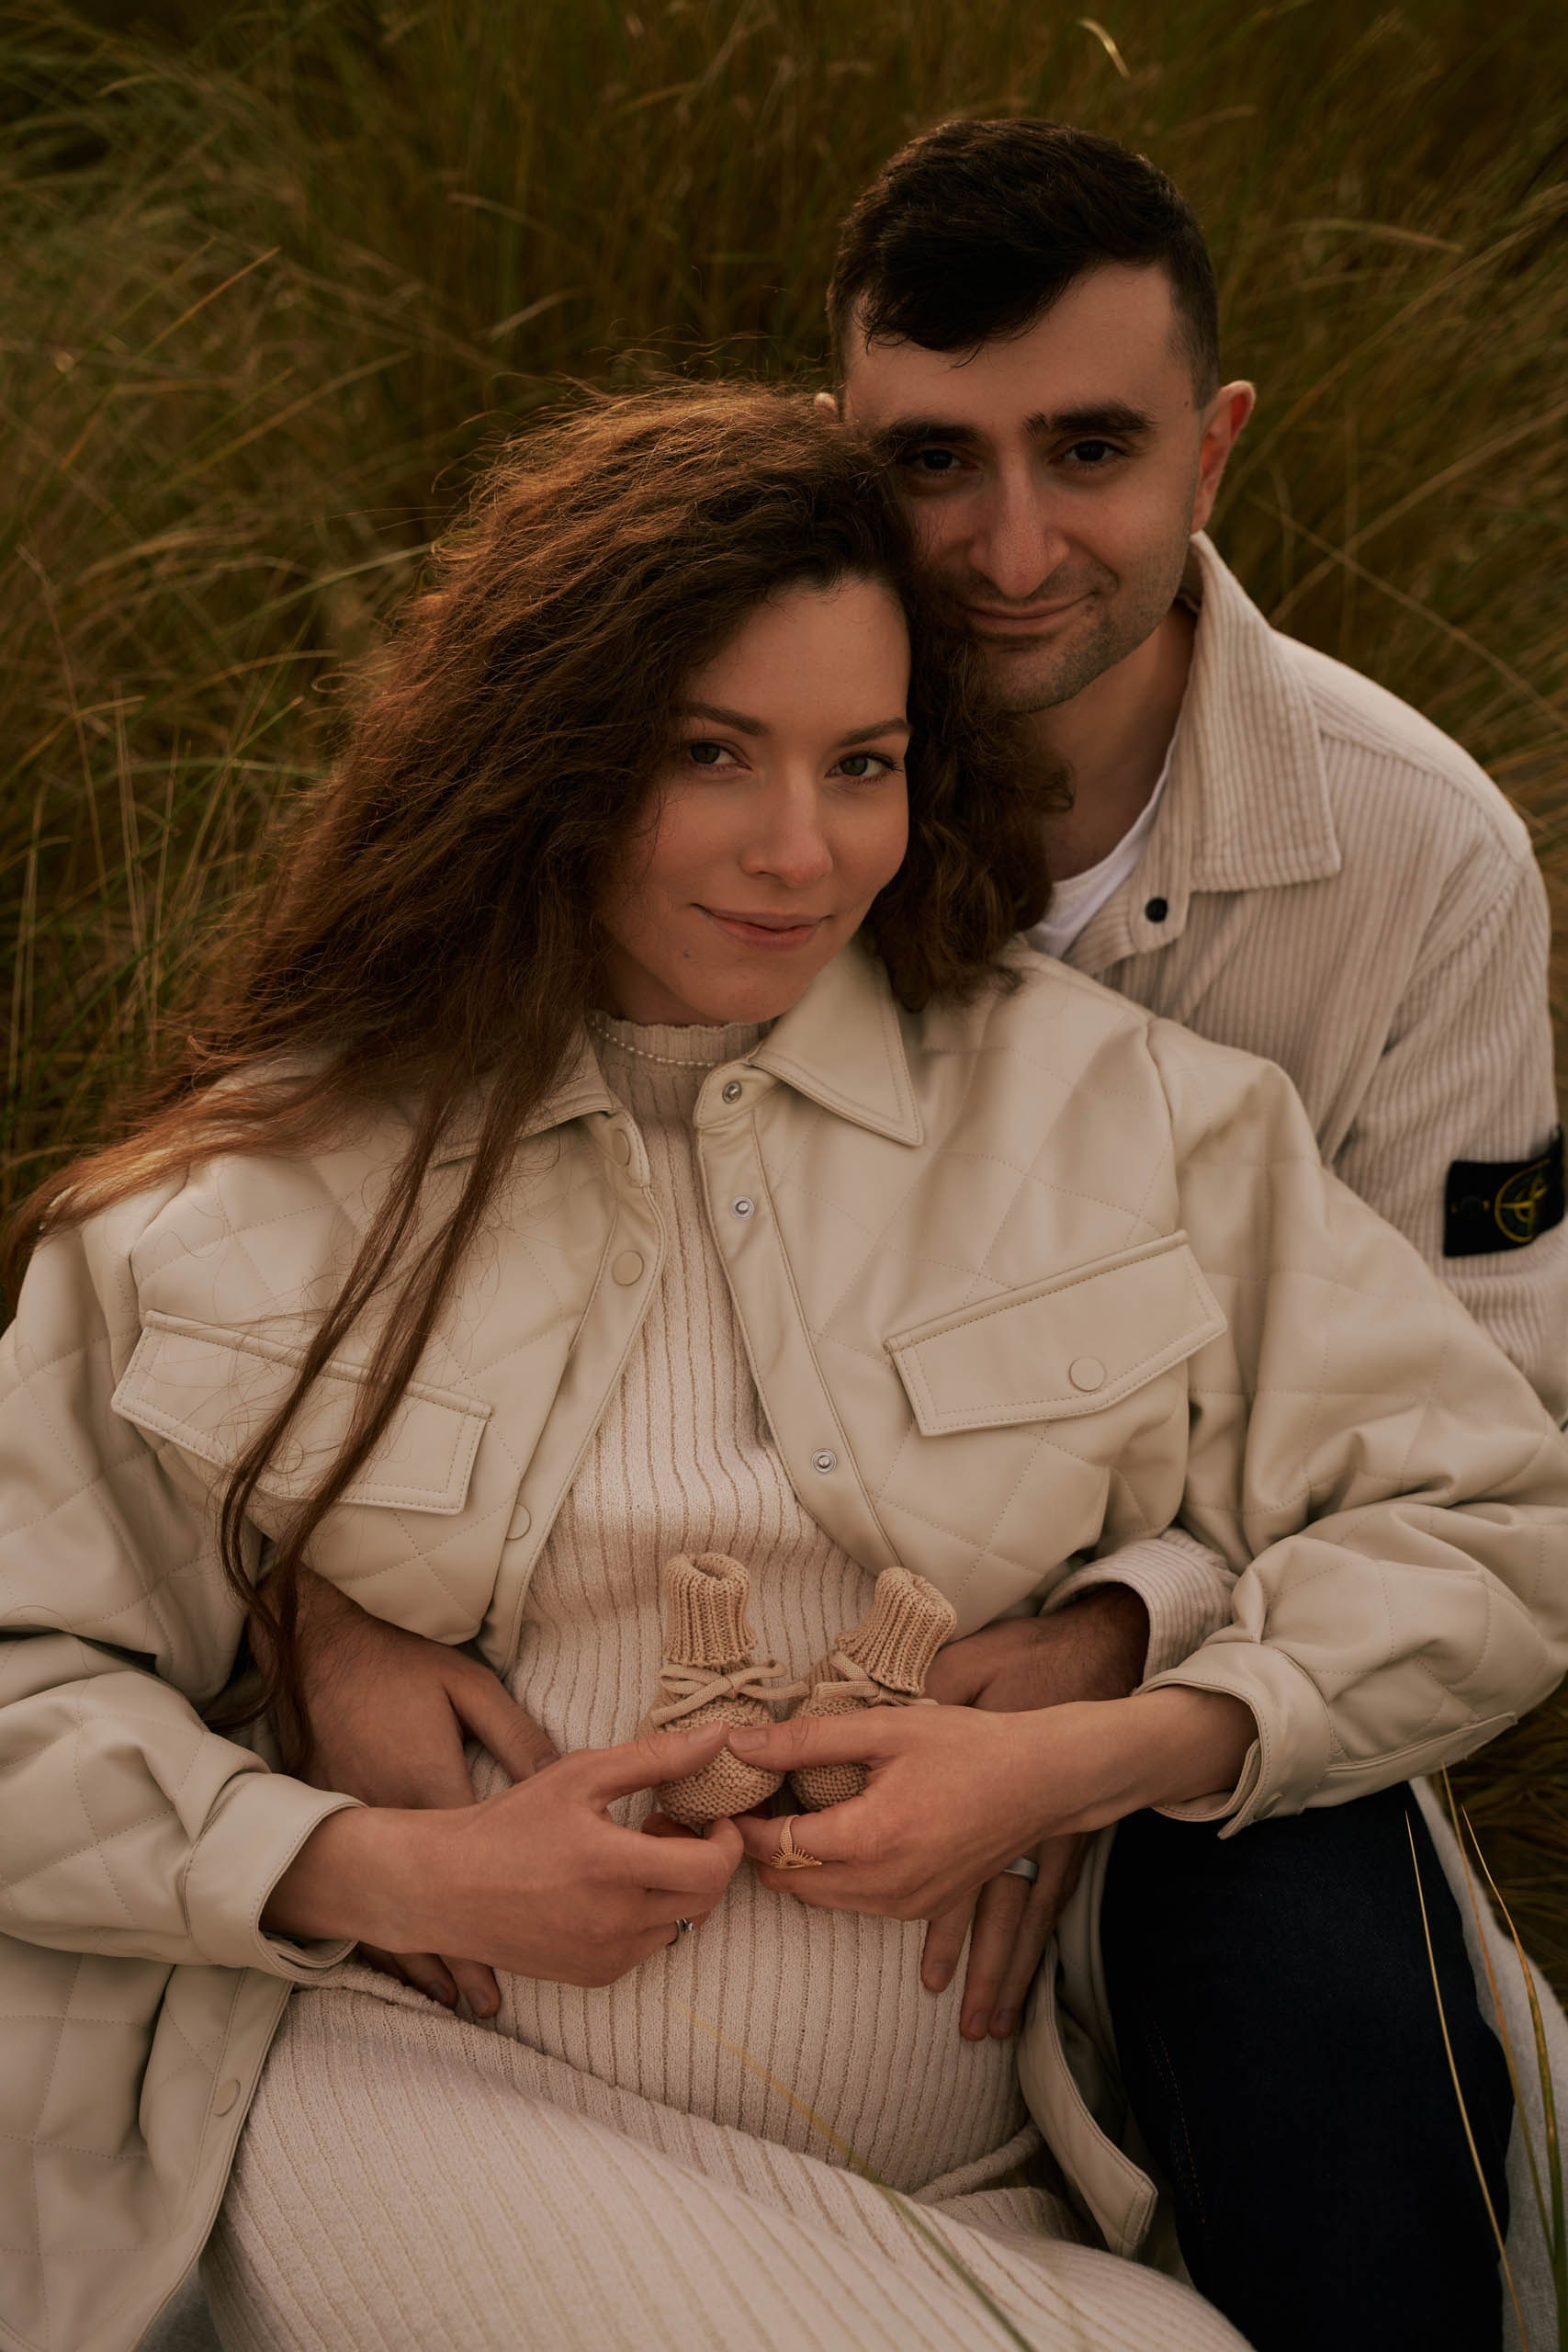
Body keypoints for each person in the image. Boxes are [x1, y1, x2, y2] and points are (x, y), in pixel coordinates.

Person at [1, 389, 1563, 2352]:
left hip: (995, 2177)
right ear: (550, 761)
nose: (795, 849)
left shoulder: (1117, 1118)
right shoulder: (259, 1190)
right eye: (709, 755)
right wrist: (386, 1864)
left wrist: (1083, 1736)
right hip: (404, 2107)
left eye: (863, 761)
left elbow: (1492, 1518)